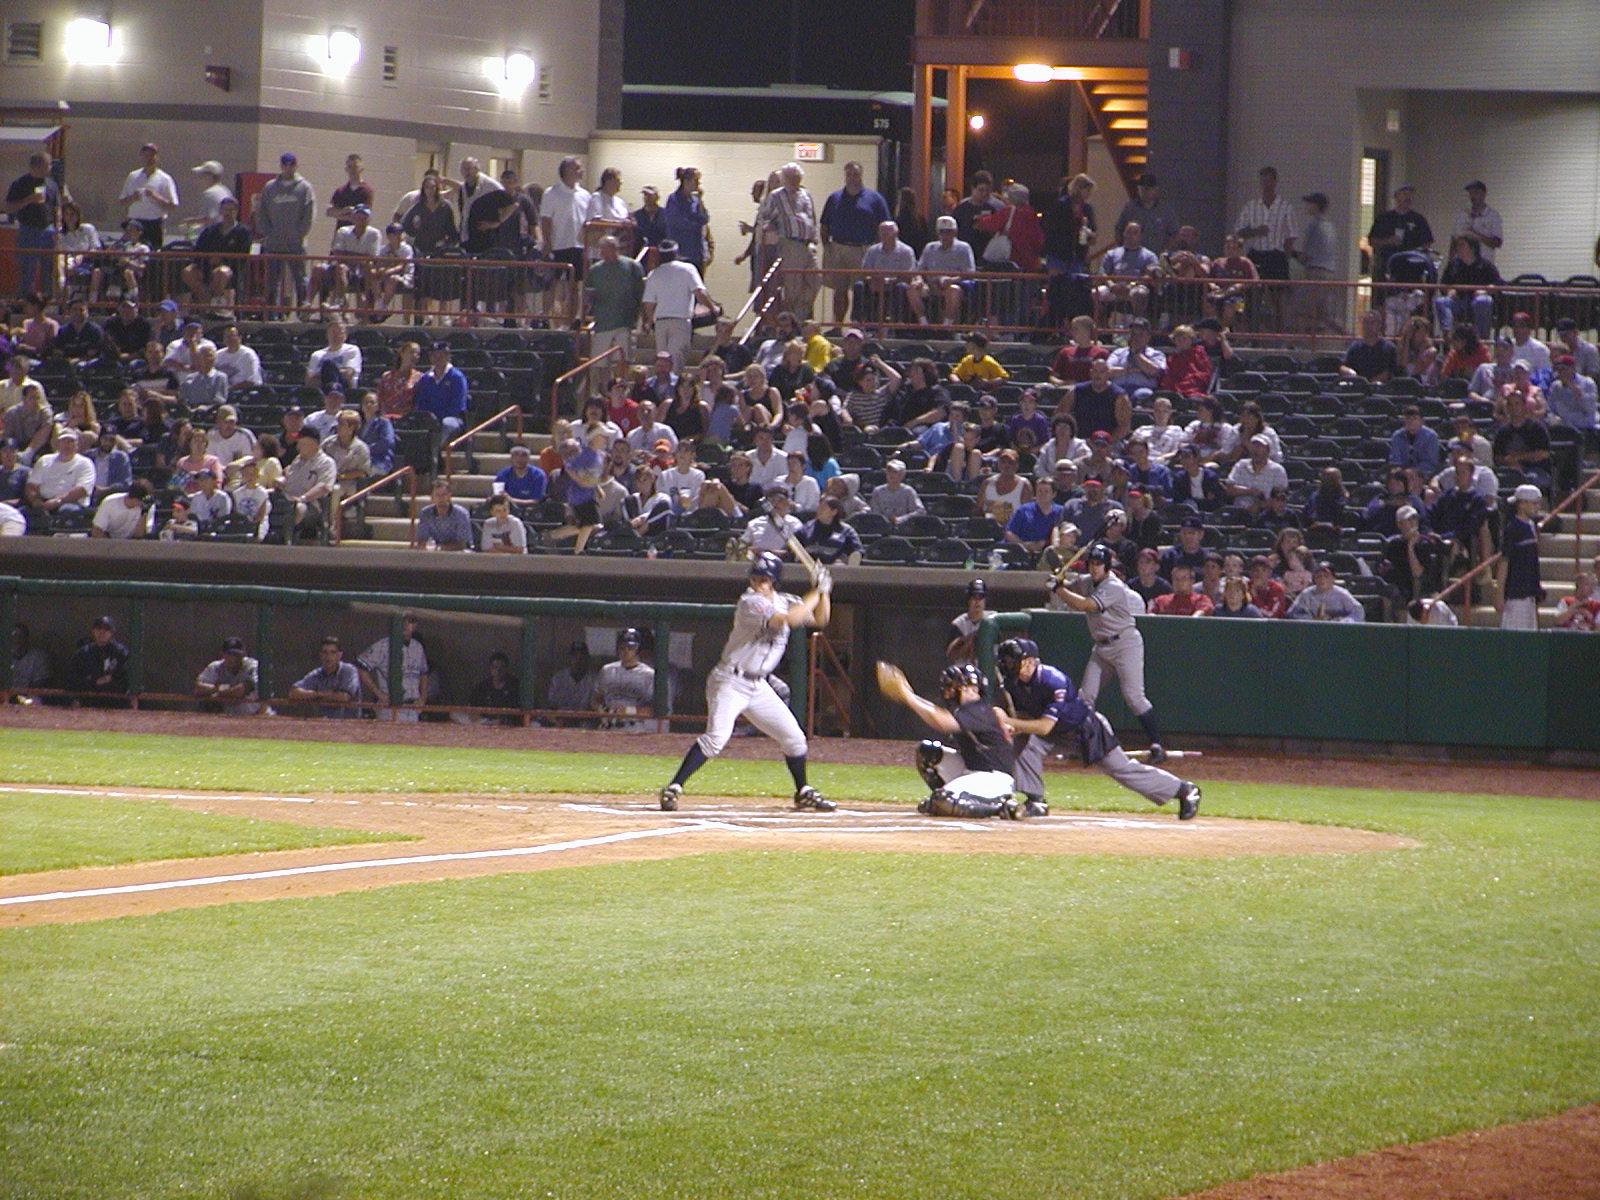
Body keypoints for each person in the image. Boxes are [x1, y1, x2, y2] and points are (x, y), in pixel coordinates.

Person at [658, 551, 835, 812]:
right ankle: (674, 787)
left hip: (758, 686)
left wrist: (825, 592)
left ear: (774, 580)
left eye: (764, 579)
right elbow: (788, 620)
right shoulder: (750, 602)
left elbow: (821, 619)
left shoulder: (786, 600)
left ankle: (802, 791)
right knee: (716, 738)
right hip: (730, 681)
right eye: (755, 578)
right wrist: (816, 590)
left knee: (795, 739)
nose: (758, 583)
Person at [997, 637, 1199, 820]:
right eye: (1006, 661)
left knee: (1122, 770)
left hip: (1085, 731)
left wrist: (1011, 722)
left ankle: (1184, 790)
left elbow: (1044, 726)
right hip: (1055, 733)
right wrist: (1016, 726)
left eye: (1012, 661)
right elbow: (1027, 717)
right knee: (1025, 744)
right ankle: (1035, 801)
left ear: (1029, 661)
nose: (1008, 665)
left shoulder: (1053, 680)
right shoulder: (1013, 683)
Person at [1050, 542, 1173, 761]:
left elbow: (1086, 605)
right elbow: (1071, 587)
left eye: (1099, 564)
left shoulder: (1113, 586)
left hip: (1125, 644)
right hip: (1102, 647)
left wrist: (1058, 589)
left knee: (1134, 697)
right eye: (1092, 563)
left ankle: (1157, 745)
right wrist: (1059, 578)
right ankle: (1082, 743)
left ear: (1107, 566)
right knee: (1085, 697)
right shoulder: (1087, 581)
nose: (1094, 567)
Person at [882, 663, 1019, 819]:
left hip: (994, 778)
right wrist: (909, 695)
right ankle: (953, 799)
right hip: (972, 770)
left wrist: (907, 696)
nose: (949, 692)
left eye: (972, 689)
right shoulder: (969, 709)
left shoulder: (979, 709)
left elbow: (942, 722)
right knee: (928, 753)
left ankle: (1001, 806)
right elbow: (938, 713)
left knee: (943, 801)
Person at [819, 161, 890, 327]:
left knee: (861, 290)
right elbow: (824, 225)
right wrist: (827, 247)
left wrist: (877, 249)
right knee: (839, 291)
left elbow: (884, 225)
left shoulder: (875, 199)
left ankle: (858, 326)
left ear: (861, 176)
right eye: (849, 174)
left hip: (863, 249)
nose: (852, 178)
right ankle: (838, 325)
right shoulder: (834, 198)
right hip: (838, 248)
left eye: (856, 174)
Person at [256, 153, 316, 316]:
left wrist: (300, 234)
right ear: (281, 166)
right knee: (272, 281)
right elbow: (261, 212)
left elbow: (309, 214)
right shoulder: (270, 187)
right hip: (274, 243)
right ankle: (271, 314)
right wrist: (267, 232)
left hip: (296, 244)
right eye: (285, 164)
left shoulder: (305, 187)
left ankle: (302, 313)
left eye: (292, 164)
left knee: (300, 279)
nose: (288, 167)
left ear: (296, 166)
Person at [641, 240, 712, 370]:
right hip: (681, 320)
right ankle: (674, 381)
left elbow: (649, 303)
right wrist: (712, 308)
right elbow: (699, 292)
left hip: (660, 322)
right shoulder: (688, 269)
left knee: (663, 360)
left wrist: (649, 321)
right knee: (676, 361)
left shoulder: (654, 274)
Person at [587, 234, 644, 377]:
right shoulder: (595, 270)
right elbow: (588, 294)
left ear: (615, 248)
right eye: (601, 249)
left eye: (605, 249)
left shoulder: (632, 266)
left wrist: (642, 319)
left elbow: (641, 293)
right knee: (599, 362)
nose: (602, 253)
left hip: (625, 322)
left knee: (623, 358)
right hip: (603, 322)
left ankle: (620, 384)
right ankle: (602, 387)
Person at [5, 152, 60, 298]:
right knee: (27, 268)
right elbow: (8, 207)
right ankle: (24, 300)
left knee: (48, 268)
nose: (50, 167)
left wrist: (58, 228)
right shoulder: (20, 184)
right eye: (48, 165)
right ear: (37, 166)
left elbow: (57, 208)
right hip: (28, 230)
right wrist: (28, 200)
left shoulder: (52, 184)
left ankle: (47, 299)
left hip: (48, 230)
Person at [357, 614, 430, 721]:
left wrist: (423, 698)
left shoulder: (418, 647)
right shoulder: (383, 645)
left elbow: (424, 673)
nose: (405, 625)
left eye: (410, 621)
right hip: (389, 708)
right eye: (402, 620)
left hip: (413, 707)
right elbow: (361, 666)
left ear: (415, 625)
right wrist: (378, 693)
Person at [1496, 484, 1544, 631]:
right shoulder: (1513, 528)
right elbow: (1504, 561)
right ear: (1522, 504)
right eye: (1534, 503)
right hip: (1516, 594)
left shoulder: (1531, 526)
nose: (1537, 507)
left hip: (1530, 593)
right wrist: (1499, 593)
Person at [1095, 221, 1161, 324]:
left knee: (1140, 293)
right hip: (1114, 287)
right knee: (1095, 293)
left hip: (1135, 287)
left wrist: (1131, 285)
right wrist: (1111, 285)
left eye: (1135, 232)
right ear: (1124, 234)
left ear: (1140, 236)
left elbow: (1150, 275)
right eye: (1128, 232)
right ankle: (1100, 326)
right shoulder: (1112, 253)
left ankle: (1138, 324)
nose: (1130, 235)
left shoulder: (1149, 256)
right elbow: (1102, 271)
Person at [1367, 184, 1433, 283]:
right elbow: (1372, 241)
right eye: (1404, 194)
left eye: (1410, 194)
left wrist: (1418, 252)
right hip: (1387, 266)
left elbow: (1427, 242)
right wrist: (1388, 241)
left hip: (1412, 269)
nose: (1408, 197)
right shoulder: (1384, 218)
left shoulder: (1419, 219)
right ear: (1396, 196)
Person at [117, 142, 179, 247]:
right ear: (141, 157)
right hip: (135, 223)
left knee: (153, 251)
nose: (149, 158)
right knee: (132, 250)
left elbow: (173, 206)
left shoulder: (165, 179)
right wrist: (133, 198)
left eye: (152, 155)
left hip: (154, 223)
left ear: (157, 157)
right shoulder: (133, 176)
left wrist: (156, 197)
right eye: (146, 155)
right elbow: (122, 201)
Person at [594, 628, 656, 732]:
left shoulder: (648, 674)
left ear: (638, 649)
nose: (626, 651)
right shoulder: (607, 670)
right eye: (622, 647)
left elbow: (652, 710)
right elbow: (596, 698)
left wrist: (628, 711)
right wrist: (602, 711)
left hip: (634, 728)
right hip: (608, 726)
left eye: (631, 647)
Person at [917, 215, 976, 322]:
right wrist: (921, 281)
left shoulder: (964, 248)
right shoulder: (930, 247)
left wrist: (952, 280)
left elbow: (970, 272)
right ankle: (923, 323)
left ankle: (947, 325)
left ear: (955, 232)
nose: (945, 235)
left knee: (953, 290)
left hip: (953, 284)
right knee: (912, 289)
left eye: (948, 231)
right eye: (942, 231)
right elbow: (919, 270)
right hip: (931, 285)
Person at [289, 636, 362, 718]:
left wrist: (316, 695)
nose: (328, 656)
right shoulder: (317, 673)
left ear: (339, 655)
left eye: (333, 652)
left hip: (349, 723)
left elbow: (344, 697)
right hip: (324, 723)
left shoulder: (349, 670)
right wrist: (318, 694)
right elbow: (293, 693)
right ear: (320, 655)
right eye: (325, 652)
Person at [414, 341, 470, 448]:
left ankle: (436, 451)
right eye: (434, 355)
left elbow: (457, 406)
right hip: (430, 418)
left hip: (452, 418)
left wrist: (438, 417)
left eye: (441, 355)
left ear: (448, 356)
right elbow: (421, 401)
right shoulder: (425, 378)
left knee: (447, 423)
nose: (437, 358)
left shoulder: (456, 377)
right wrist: (428, 416)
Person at [67, 615, 131, 704]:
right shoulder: (83, 653)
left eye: (106, 629)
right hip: (89, 702)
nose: (102, 632)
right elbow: (72, 680)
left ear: (112, 632)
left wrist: (110, 680)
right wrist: (94, 681)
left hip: (116, 702)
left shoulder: (121, 652)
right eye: (99, 628)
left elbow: (127, 680)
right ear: (93, 631)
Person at [194, 636, 261, 715]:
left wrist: (217, 694)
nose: (233, 658)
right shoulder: (216, 667)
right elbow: (198, 688)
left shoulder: (252, 666)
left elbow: (241, 690)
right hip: (229, 718)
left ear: (243, 654)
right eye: (229, 654)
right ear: (222, 654)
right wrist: (223, 688)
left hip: (257, 716)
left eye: (237, 654)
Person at [1286, 563, 1365, 622]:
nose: (1322, 579)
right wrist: (1311, 620)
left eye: (1326, 576)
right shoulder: (1306, 594)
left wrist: (1341, 622)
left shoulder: (1342, 594)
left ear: (1333, 578)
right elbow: (1292, 614)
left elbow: (1358, 612)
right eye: (1319, 576)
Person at [413, 478, 471, 551]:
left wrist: (440, 548)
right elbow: (422, 539)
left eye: (444, 495)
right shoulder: (425, 513)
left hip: (458, 553)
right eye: (437, 495)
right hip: (434, 552)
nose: (441, 498)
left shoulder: (461, 514)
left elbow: (462, 543)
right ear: (432, 497)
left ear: (449, 496)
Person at [1341, 310, 1399, 382]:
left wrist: (1372, 383)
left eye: (1372, 323)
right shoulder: (1355, 347)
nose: (1368, 326)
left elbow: (1391, 371)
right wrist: (1351, 373)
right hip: (1358, 385)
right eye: (1365, 323)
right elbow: (1343, 366)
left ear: (1379, 325)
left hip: (1382, 387)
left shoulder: (1389, 348)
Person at [546, 641, 597, 720]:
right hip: (561, 719)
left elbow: (596, 707)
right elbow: (551, 706)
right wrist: (555, 721)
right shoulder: (558, 678)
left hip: (584, 720)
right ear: (569, 658)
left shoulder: (594, 679)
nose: (578, 660)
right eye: (575, 656)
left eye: (582, 657)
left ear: (587, 659)